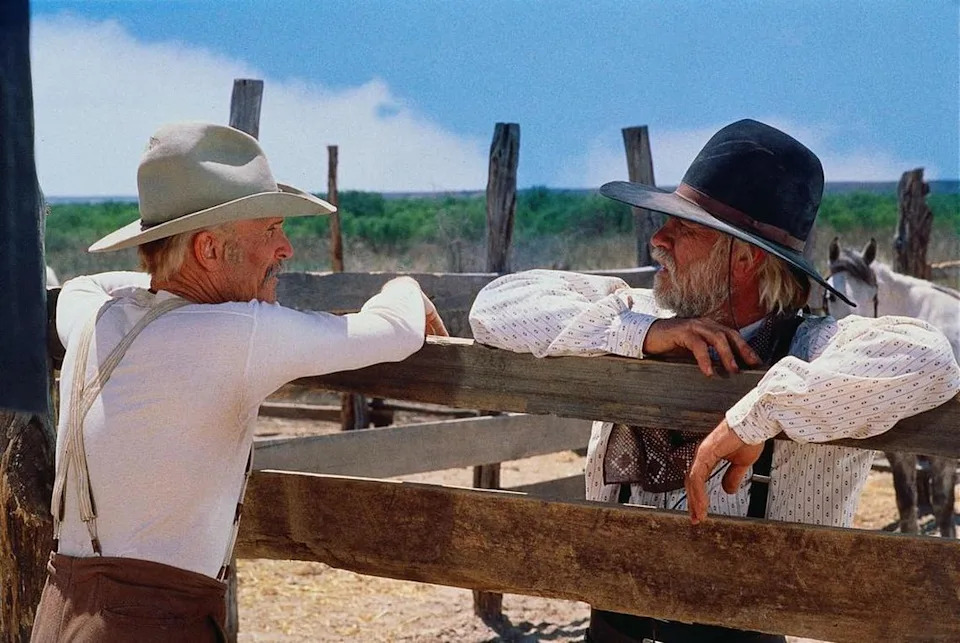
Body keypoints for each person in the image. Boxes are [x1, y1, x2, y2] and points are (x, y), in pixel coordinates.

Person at [468, 119, 960, 643]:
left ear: (745, 258)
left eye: (686, 229)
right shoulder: (633, 314)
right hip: (612, 623)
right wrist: (646, 333)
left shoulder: (816, 349)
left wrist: (757, 416)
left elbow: (930, 358)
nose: (658, 239)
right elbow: (494, 307)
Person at [32, 122, 447, 642]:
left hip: (60, 613)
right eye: (269, 230)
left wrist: (163, 278)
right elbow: (393, 330)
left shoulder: (94, 316)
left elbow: (83, 286)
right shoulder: (240, 333)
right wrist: (406, 286)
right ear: (208, 249)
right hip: (156, 623)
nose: (286, 248)